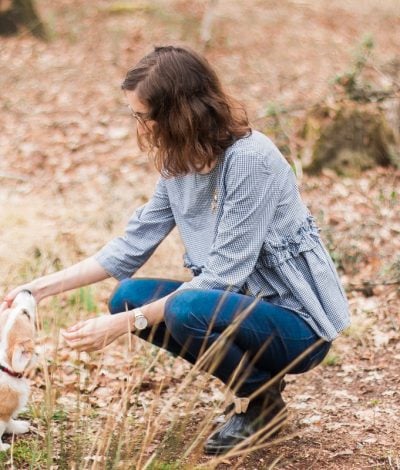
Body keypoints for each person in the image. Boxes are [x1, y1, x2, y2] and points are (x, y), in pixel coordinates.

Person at [3, 45, 350, 455]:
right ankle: (263, 395)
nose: (140, 126)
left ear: (178, 113)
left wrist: (122, 326)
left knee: (184, 309)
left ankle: (261, 406)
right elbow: (130, 247)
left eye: (143, 115)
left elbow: (222, 277)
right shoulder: (179, 162)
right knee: (127, 295)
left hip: (297, 324)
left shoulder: (249, 160)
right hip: (238, 306)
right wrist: (37, 289)